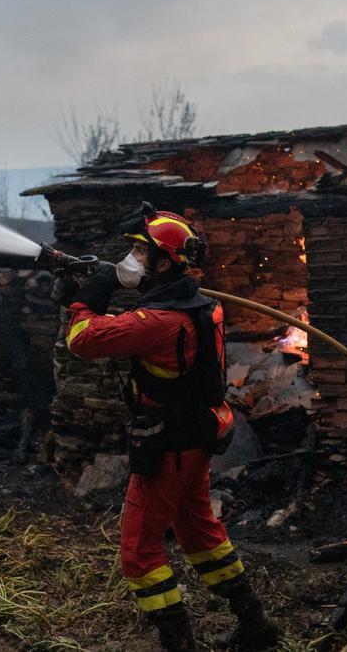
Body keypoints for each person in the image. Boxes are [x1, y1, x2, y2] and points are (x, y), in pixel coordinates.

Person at [54, 202, 280, 651]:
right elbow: (135, 323)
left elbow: (83, 340)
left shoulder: (161, 321)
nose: (131, 260)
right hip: (195, 438)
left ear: (164, 262)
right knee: (200, 533)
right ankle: (255, 624)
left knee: (139, 554)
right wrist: (98, 293)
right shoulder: (199, 307)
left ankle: (178, 643)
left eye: (141, 252)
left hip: (169, 446)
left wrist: (89, 297)